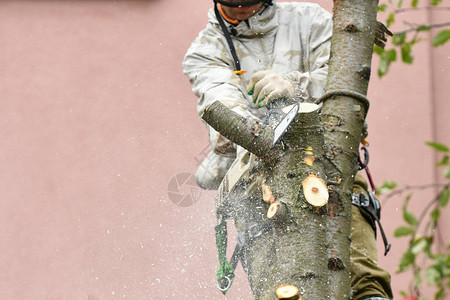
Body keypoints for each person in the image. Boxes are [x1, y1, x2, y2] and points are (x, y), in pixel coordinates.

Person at [183, 1, 393, 299]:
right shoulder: (206, 51)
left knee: (363, 285)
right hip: (258, 188)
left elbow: (342, 84)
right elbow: (224, 110)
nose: (242, 8)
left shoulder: (310, 21)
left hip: (330, 167)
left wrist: (296, 87)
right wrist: (261, 130)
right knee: (281, 291)